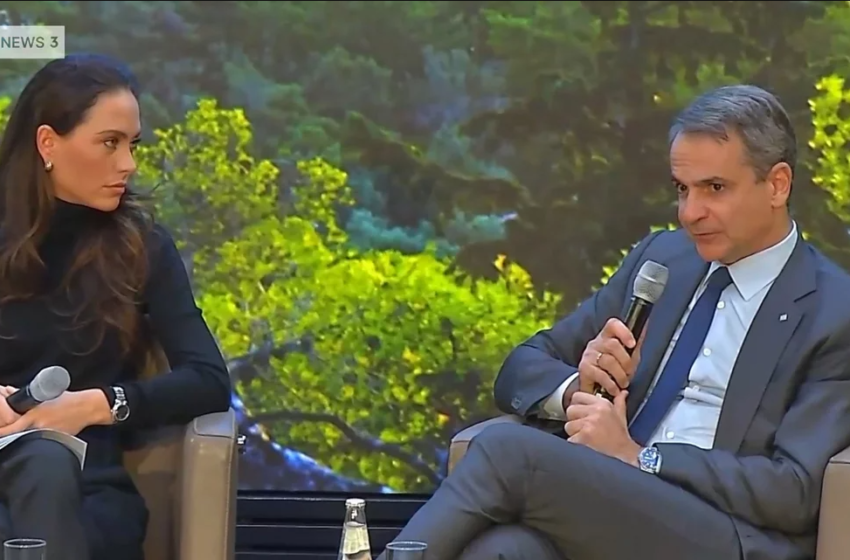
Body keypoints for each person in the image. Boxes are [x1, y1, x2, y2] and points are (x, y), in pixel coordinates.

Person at [380, 84, 850, 560]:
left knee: (507, 450)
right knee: (506, 550)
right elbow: (523, 367)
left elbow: (793, 490)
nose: (690, 213)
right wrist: (579, 391)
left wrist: (640, 457)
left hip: (728, 536)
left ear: (777, 185)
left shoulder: (834, 311)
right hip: (617, 507)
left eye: (715, 188)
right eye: (682, 189)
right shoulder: (663, 259)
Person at [0, 54, 231, 560]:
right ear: (47, 143)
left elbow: (209, 380)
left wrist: (92, 405)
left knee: (46, 466)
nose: (128, 164)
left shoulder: (141, 247)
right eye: (109, 143)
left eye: (132, 144)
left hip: (87, 490)